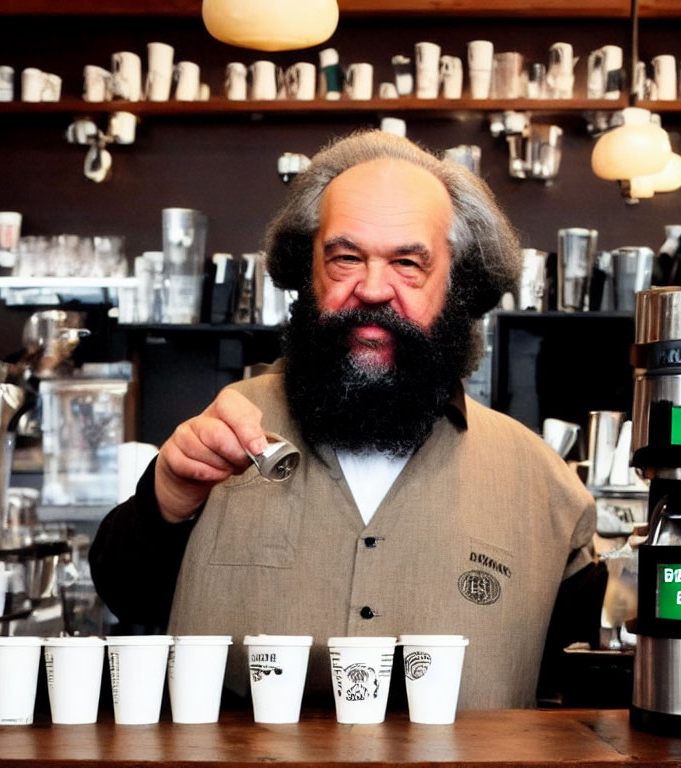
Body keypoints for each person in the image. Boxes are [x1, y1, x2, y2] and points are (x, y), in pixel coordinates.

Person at [89, 129, 599, 710]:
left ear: (455, 282)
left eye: (408, 263)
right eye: (346, 258)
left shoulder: (542, 484)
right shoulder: (222, 433)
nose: (373, 288)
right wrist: (166, 498)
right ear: (309, 271)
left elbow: (578, 700)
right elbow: (124, 595)